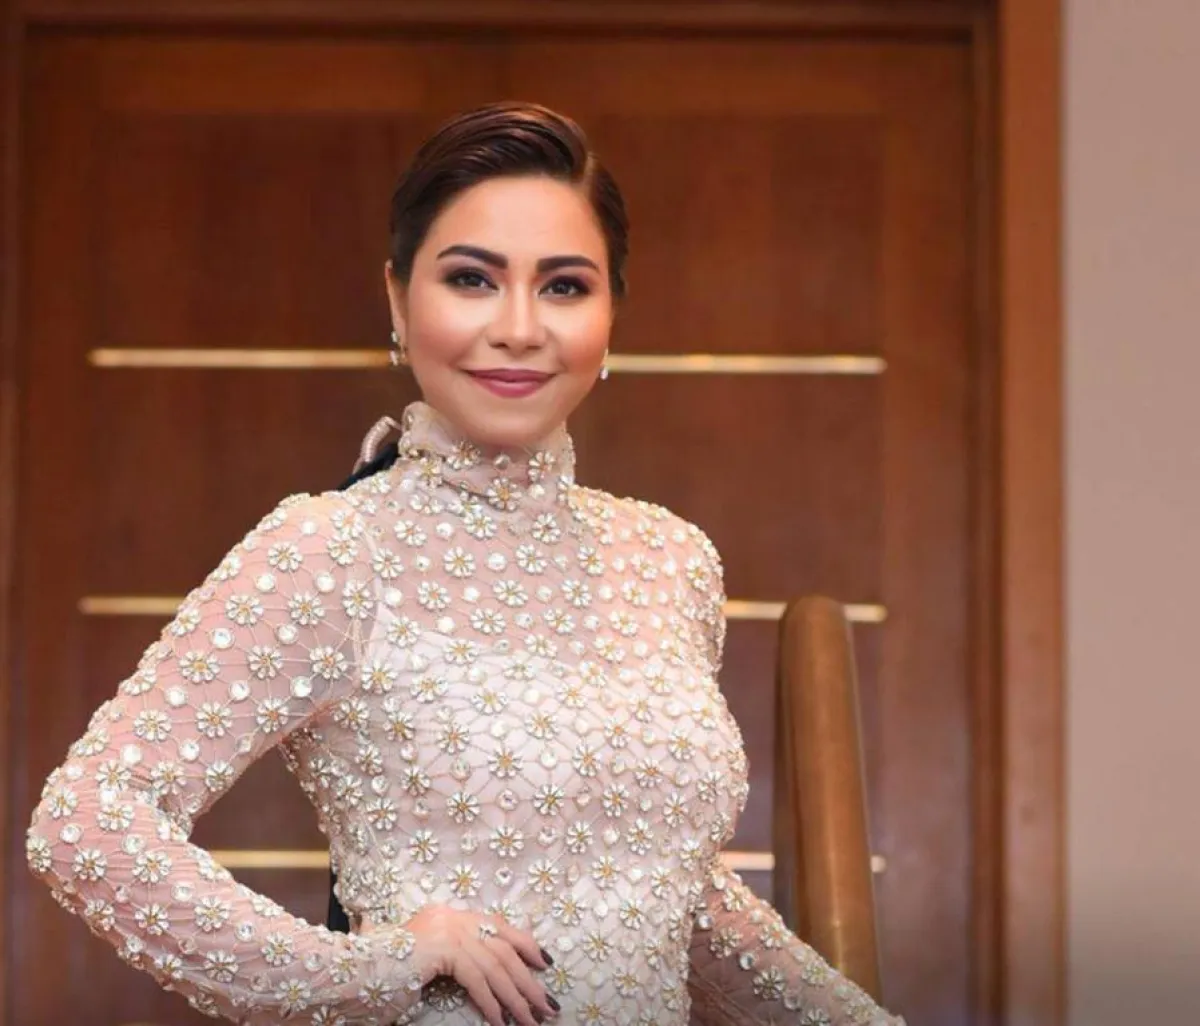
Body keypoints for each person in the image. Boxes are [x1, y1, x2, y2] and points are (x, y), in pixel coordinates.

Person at [26, 102, 905, 1026]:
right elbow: (87, 825)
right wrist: (376, 967)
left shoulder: (670, 561)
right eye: (472, 279)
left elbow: (672, 894)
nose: (519, 327)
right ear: (399, 301)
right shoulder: (333, 548)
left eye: (563, 286)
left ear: (611, 314)